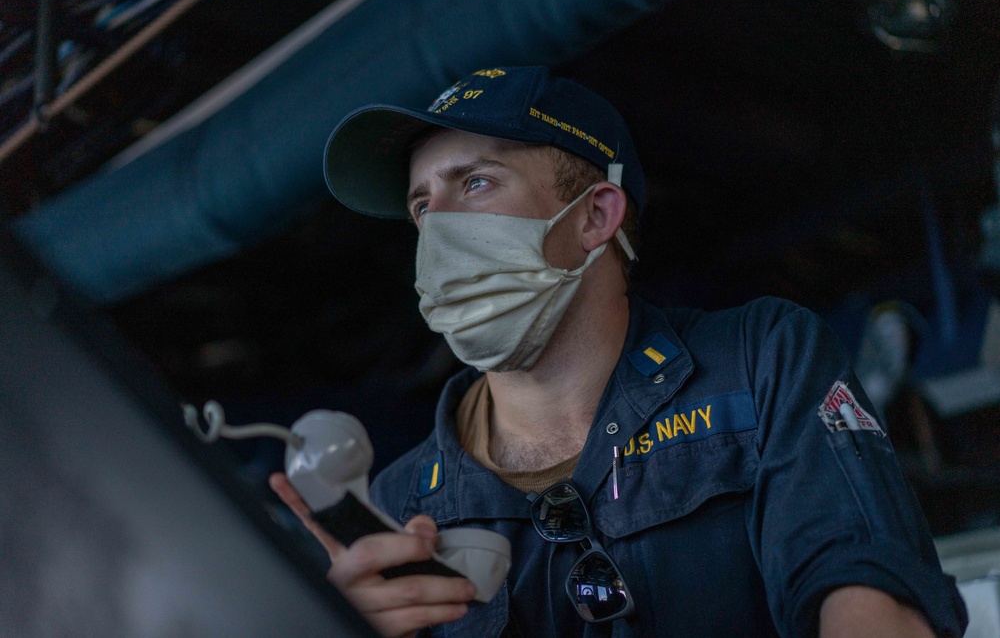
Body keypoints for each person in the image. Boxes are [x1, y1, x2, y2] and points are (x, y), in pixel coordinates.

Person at [270, 66, 968, 637]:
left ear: (595, 217)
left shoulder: (759, 360)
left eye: (475, 183)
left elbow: (869, 594)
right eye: (423, 207)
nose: (438, 232)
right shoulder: (395, 502)